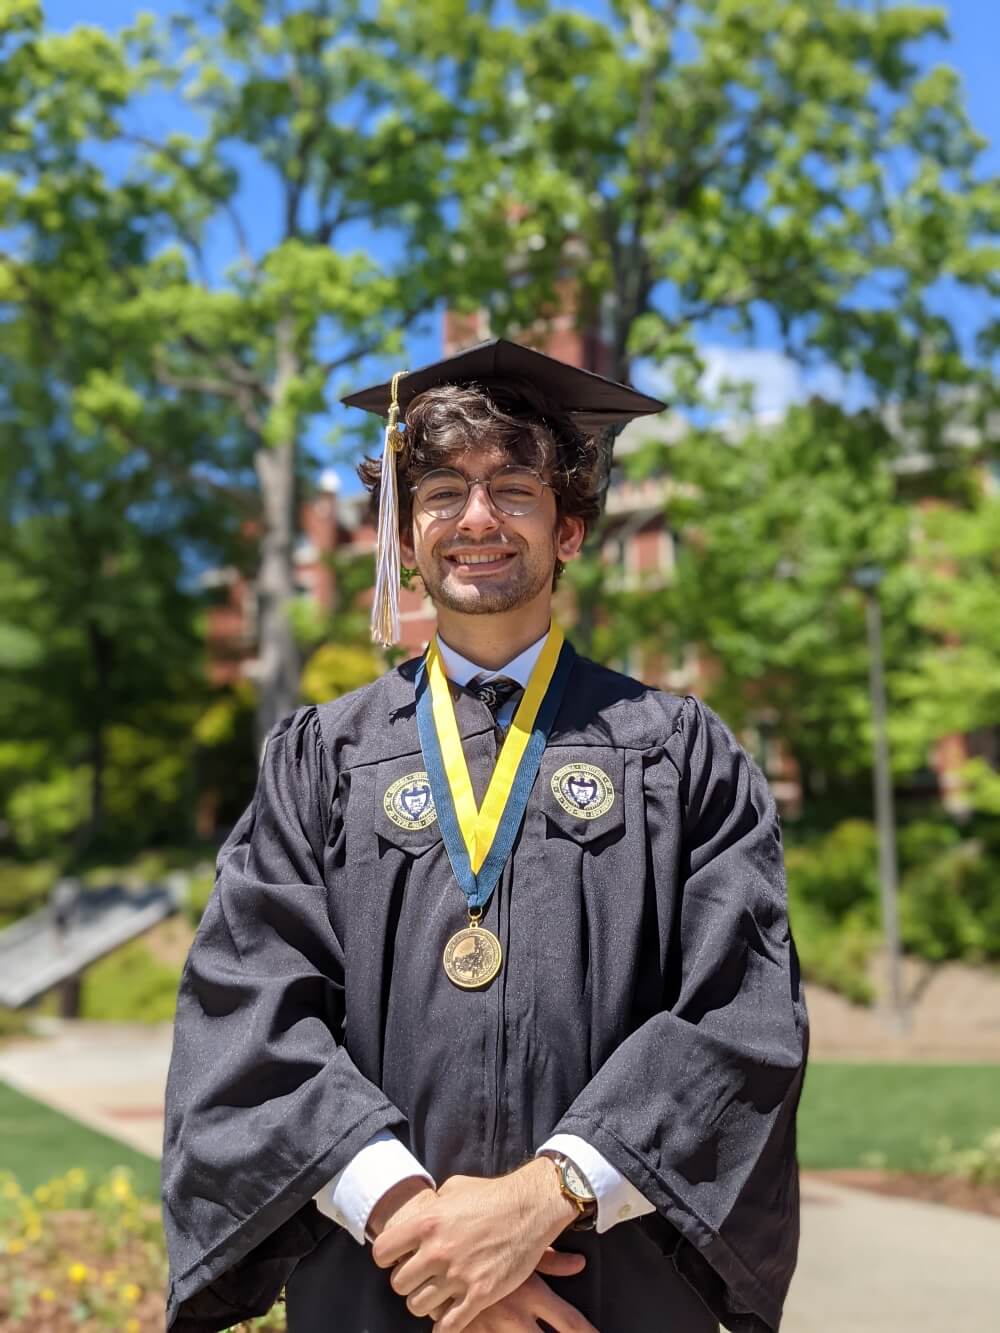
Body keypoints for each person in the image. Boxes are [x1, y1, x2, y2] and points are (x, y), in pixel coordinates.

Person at [162, 339, 808, 1333]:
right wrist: (422, 1226)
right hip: (385, 1282)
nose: (475, 518)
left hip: (609, 1292)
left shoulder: (680, 755)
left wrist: (540, 1200)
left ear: (571, 529)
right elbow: (245, 1009)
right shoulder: (319, 761)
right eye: (440, 493)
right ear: (405, 535)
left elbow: (740, 1016)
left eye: (513, 488)